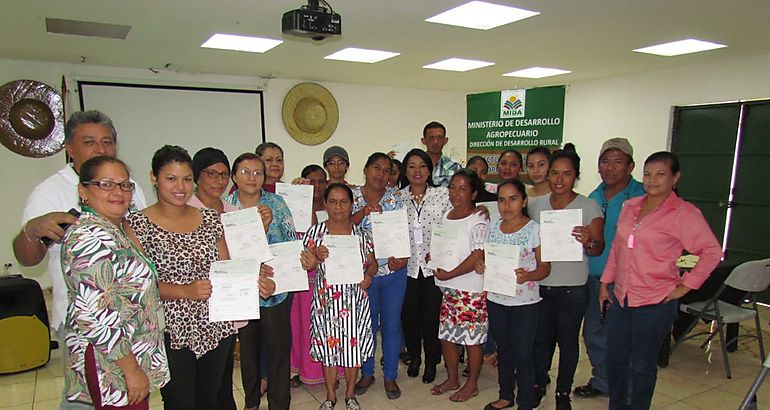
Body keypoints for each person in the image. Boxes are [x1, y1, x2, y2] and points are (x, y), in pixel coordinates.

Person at [13, 110, 147, 410]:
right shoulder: (51, 191)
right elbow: (27, 257)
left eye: (107, 142)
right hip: (91, 325)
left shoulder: (129, 188)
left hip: (131, 323)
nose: (100, 148)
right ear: (69, 148)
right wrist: (32, 230)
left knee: (117, 397)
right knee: (89, 397)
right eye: (89, 142)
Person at [600, 151, 722, 410]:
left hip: (654, 301)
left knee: (642, 366)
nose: (652, 180)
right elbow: (618, 249)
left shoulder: (683, 212)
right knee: (615, 361)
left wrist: (686, 285)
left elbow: (711, 251)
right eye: (648, 174)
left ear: (675, 178)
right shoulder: (631, 206)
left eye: (660, 174)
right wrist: (604, 284)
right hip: (621, 297)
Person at [125, 146, 241, 409]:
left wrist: (252, 282)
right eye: (171, 178)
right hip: (170, 329)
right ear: (154, 178)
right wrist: (184, 291)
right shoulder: (136, 225)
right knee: (180, 402)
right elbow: (137, 285)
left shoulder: (210, 218)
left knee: (210, 400)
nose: (181, 186)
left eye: (186, 179)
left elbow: (225, 268)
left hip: (216, 326)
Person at [60, 156, 168, 409]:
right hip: (112, 364)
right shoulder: (89, 237)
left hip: (127, 354)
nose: (118, 192)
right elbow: (94, 315)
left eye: (124, 185)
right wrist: (131, 371)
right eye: (106, 184)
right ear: (83, 191)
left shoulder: (112, 230)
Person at [527, 148, 605, 410]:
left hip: (572, 288)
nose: (559, 179)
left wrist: (587, 240)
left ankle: (563, 392)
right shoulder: (536, 204)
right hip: (541, 285)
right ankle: (539, 384)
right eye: (554, 173)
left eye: (567, 174)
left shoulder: (587, 205)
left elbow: (598, 248)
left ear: (576, 176)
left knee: (568, 342)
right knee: (540, 340)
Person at [574, 138, 644, 399]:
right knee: (593, 334)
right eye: (605, 161)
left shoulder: (641, 197)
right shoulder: (592, 197)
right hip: (594, 278)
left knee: (623, 338)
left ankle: (626, 391)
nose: (610, 168)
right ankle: (603, 381)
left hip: (627, 281)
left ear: (630, 165)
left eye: (618, 162)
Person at [225, 152, 296, 410]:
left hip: (276, 289)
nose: (252, 178)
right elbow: (225, 252)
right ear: (233, 176)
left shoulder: (277, 204)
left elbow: (290, 244)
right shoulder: (226, 207)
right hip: (242, 292)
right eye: (245, 172)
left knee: (278, 353)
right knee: (249, 353)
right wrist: (258, 229)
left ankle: (280, 404)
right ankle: (251, 402)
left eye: (257, 172)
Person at [300, 182, 378, 410]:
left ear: (352, 205)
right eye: (332, 202)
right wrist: (315, 256)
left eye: (344, 202)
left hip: (355, 301)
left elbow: (372, 265)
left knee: (353, 349)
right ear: (325, 204)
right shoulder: (316, 233)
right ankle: (331, 395)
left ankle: (350, 394)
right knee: (328, 349)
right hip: (326, 301)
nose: (338, 207)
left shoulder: (361, 235)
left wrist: (368, 277)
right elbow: (305, 265)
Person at [477, 178, 550, 410]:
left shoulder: (534, 230)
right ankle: (506, 395)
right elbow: (488, 260)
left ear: (524, 201)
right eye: (501, 200)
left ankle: (526, 401)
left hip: (525, 303)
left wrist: (528, 276)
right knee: (504, 351)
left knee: (523, 354)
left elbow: (545, 268)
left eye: (513, 199)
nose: (507, 205)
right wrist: (482, 266)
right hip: (497, 300)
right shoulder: (493, 228)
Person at [349, 152, 408, 400]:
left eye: (386, 170)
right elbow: (341, 226)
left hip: (394, 272)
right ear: (365, 169)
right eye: (376, 168)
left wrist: (403, 257)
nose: (381, 174)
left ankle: (391, 376)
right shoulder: (350, 195)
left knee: (392, 326)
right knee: (367, 326)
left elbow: (403, 233)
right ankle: (367, 372)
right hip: (364, 274)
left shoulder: (396, 198)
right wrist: (362, 212)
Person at [430, 169, 490, 403]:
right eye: (453, 187)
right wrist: (432, 257)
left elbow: (478, 255)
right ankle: (452, 378)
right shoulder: (447, 215)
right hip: (449, 289)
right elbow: (444, 247)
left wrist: (451, 273)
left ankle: (472, 384)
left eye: (462, 188)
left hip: (471, 290)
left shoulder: (479, 219)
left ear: (474, 193)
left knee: (471, 339)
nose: (455, 193)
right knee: (447, 336)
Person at [187, 147, 240, 410]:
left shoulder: (233, 212)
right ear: (197, 175)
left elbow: (244, 256)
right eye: (211, 174)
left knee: (222, 376)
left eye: (224, 174)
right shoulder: (184, 210)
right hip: (192, 309)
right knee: (199, 384)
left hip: (227, 306)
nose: (219, 181)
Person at [400, 149, 453, 384]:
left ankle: (432, 361)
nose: (417, 171)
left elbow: (455, 223)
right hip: (407, 268)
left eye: (422, 166)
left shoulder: (443, 195)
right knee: (409, 317)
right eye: (411, 166)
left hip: (434, 268)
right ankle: (414, 358)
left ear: (429, 170)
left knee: (432, 318)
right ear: (405, 171)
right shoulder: (396, 198)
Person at [289, 164, 343, 386]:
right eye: (312, 181)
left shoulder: (333, 209)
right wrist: (294, 193)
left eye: (322, 181)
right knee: (302, 326)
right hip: (302, 280)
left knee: (330, 327)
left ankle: (334, 373)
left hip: (329, 283)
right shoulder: (292, 206)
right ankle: (303, 371)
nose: (317, 186)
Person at [421, 121, 460, 187]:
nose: (435, 142)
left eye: (439, 137)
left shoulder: (455, 167)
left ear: (445, 141)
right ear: (423, 141)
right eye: (431, 138)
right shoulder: (414, 166)